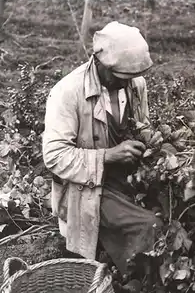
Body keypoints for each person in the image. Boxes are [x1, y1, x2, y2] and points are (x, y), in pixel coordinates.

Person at [42, 21, 162, 274]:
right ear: (99, 62)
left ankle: (130, 268)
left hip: (125, 176)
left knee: (169, 211)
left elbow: (141, 124)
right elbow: (54, 157)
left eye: (131, 77)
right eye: (121, 77)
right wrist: (108, 155)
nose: (127, 83)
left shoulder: (135, 84)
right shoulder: (68, 92)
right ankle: (138, 283)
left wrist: (150, 138)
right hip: (86, 186)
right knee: (147, 225)